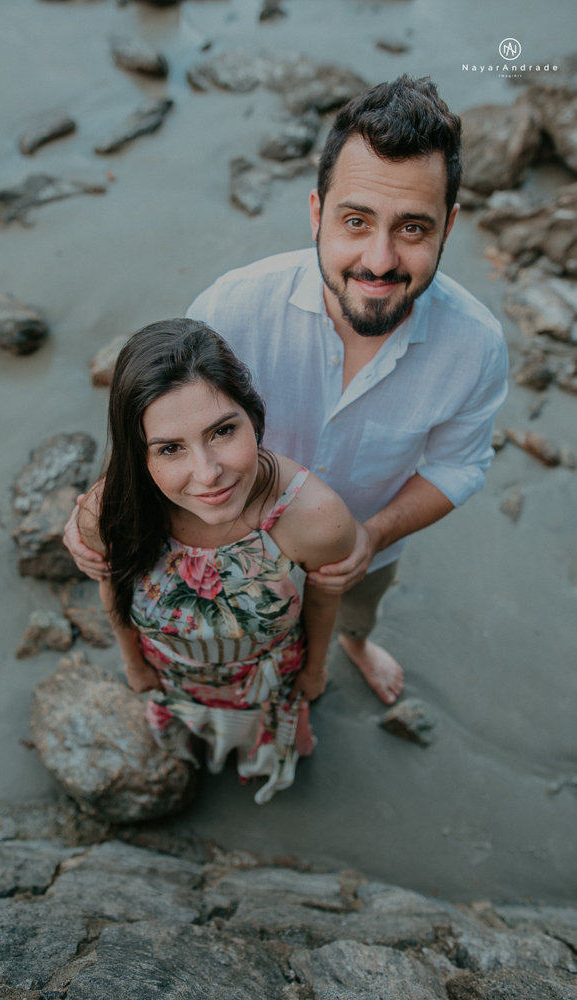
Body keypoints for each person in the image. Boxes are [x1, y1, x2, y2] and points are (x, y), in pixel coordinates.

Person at [65, 75, 508, 706]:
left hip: (359, 549)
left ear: (449, 225)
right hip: (223, 535)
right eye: (356, 221)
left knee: (356, 612)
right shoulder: (231, 306)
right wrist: (95, 511)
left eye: (412, 228)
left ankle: (353, 643)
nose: (379, 261)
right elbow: (162, 417)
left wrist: (371, 536)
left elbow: (459, 465)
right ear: (316, 213)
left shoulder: (478, 347)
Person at [76, 319, 356, 805]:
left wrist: (314, 672)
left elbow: (325, 595)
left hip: (266, 683)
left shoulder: (314, 518)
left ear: (254, 416)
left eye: (223, 431)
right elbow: (112, 584)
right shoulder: (112, 514)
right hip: (172, 676)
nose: (208, 475)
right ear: (140, 457)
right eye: (170, 449)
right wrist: (132, 663)